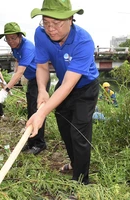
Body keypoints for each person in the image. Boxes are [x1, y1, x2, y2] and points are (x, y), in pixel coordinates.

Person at [26, 0, 99, 185]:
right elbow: (42, 66)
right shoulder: (40, 34)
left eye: (56, 23)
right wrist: (42, 90)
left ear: (70, 19)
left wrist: (41, 113)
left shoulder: (84, 41)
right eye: (46, 22)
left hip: (84, 87)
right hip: (63, 84)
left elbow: (68, 84)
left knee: (79, 132)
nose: (50, 29)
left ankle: (81, 181)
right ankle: (76, 164)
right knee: (65, 129)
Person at [0, 22, 50, 155]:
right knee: (30, 110)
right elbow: (18, 63)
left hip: (41, 80)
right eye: (7, 39)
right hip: (32, 80)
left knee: (37, 111)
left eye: (13, 38)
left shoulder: (27, 48)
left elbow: (20, 72)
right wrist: (16, 82)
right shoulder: (15, 47)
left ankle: (39, 144)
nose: (10, 41)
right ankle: (32, 140)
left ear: (20, 36)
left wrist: (6, 88)